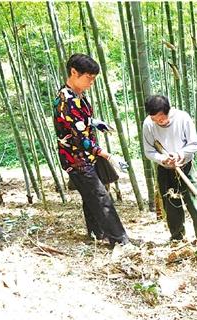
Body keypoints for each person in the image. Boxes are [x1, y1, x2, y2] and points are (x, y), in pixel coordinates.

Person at [53, 53, 130, 250]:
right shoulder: (66, 101)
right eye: (89, 78)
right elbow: (79, 139)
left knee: (91, 196)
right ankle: (120, 241)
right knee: (101, 197)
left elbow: (82, 121)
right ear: (74, 72)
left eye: (94, 79)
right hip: (75, 158)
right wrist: (108, 155)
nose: (91, 83)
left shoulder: (79, 95)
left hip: (87, 156)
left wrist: (96, 123)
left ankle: (98, 234)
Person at [142, 95, 197, 247]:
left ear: (168, 110)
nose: (159, 122)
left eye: (161, 118)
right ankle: (177, 238)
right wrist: (162, 159)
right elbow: (148, 151)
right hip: (165, 169)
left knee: (196, 203)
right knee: (171, 205)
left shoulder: (182, 118)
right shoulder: (148, 124)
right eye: (155, 119)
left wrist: (180, 154)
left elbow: (194, 144)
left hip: (186, 167)